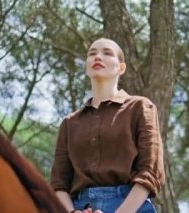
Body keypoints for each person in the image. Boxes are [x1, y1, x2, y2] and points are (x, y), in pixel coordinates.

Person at [50, 38, 165, 213]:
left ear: (121, 68)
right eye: (92, 53)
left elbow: (150, 172)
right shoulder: (69, 123)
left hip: (131, 207)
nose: (98, 57)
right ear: (87, 67)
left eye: (107, 53)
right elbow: (59, 183)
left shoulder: (140, 107)